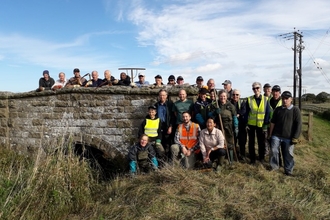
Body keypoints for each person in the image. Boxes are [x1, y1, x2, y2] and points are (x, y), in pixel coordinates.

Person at [269, 91, 302, 176]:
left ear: (291, 99)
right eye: (283, 98)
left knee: (288, 154)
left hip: (288, 137)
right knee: (273, 151)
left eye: (287, 98)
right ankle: (274, 167)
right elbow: (273, 122)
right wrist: (270, 134)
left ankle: (288, 170)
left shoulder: (295, 110)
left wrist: (295, 137)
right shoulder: (278, 110)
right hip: (276, 135)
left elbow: (298, 124)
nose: (284, 100)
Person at [245, 82, 271, 164]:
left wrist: (265, 124)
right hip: (251, 125)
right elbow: (246, 112)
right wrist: (246, 124)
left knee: (261, 142)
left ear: (260, 89)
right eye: (254, 88)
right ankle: (252, 159)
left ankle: (261, 158)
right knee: (251, 142)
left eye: (257, 88)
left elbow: (268, 112)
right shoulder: (249, 99)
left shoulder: (265, 99)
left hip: (261, 125)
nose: (256, 90)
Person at [212, 89, 238, 162]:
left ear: (226, 97)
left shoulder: (231, 106)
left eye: (224, 96)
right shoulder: (215, 105)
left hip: (228, 127)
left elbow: (234, 117)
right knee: (219, 143)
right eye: (221, 96)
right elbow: (210, 116)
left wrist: (236, 126)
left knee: (229, 143)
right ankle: (219, 159)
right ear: (218, 97)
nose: (222, 98)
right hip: (218, 127)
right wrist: (214, 113)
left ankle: (231, 160)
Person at [154, 89, 175, 159]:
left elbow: (172, 116)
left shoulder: (170, 104)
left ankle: (168, 160)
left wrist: (171, 126)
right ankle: (161, 160)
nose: (162, 97)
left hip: (167, 126)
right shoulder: (156, 105)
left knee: (168, 144)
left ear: (166, 96)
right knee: (160, 144)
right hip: (159, 127)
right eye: (160, 95)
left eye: (163, 95)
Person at [230, 89, 247, 160]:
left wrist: (238, 114)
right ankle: (234, 155)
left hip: (241, 125)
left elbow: (244, 110)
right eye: (233, 94)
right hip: (231, 125)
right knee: (233, 141)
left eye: (237, 95)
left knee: (242, 141)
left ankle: (242, 154)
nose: (235, 96)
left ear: (239, 96)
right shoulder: (229, 103)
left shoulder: (243, 102)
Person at [267, 85, 283, 161]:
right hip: (270, 126)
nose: (275, 93)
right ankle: (274, 160)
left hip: (280, 127)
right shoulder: (268, 101)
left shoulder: (283, 101)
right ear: (272, 92)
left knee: (280, 145)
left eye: (277, 91)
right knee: (272, 145)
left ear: (280, 93)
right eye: (274, 91)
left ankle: (279, 160)